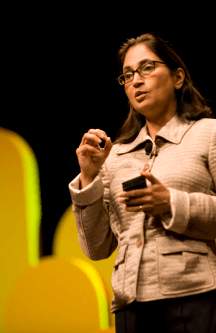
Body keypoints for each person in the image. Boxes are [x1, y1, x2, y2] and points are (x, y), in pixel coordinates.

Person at [68, 32, 216, 332]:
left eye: (147, 68)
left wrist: (172, 203)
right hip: (130, 307)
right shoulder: (115, 155)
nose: (136, 80)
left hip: (196, 296)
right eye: (127, 75)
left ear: (178, 77)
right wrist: (89, 177)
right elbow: (97, 248)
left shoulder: (208, 134)